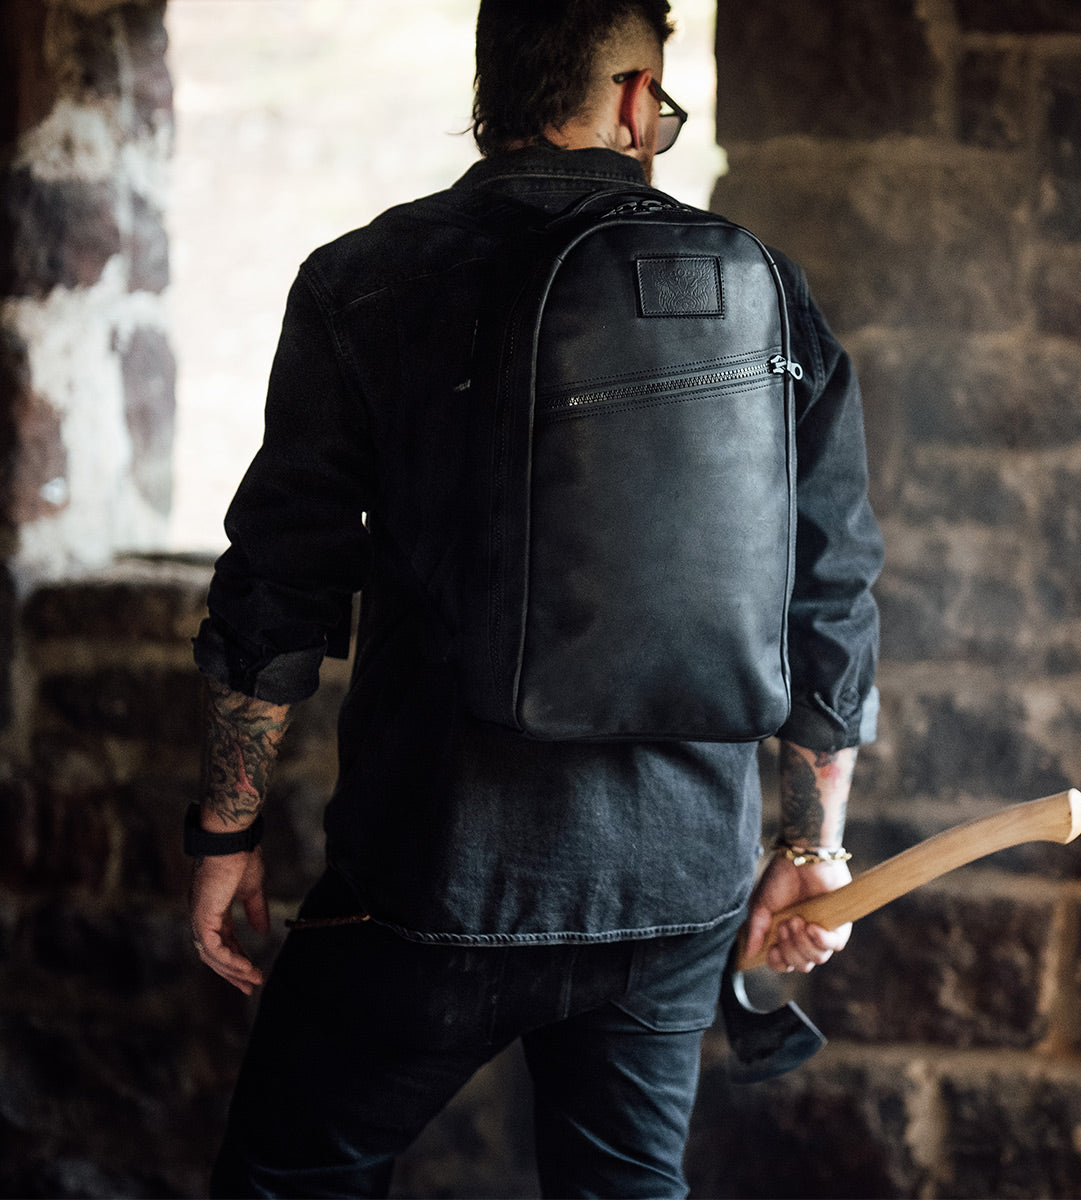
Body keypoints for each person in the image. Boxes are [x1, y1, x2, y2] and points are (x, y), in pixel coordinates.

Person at [187, 2, 883, 1196]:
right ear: (629, 99)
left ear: (495, 86)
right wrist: (809, 845)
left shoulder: (363, 281)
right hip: (675, 896)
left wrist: (225, 833)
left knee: (289, 1179)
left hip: (432, 879)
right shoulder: (765, 288)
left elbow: (281, 583)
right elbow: (830, 591)